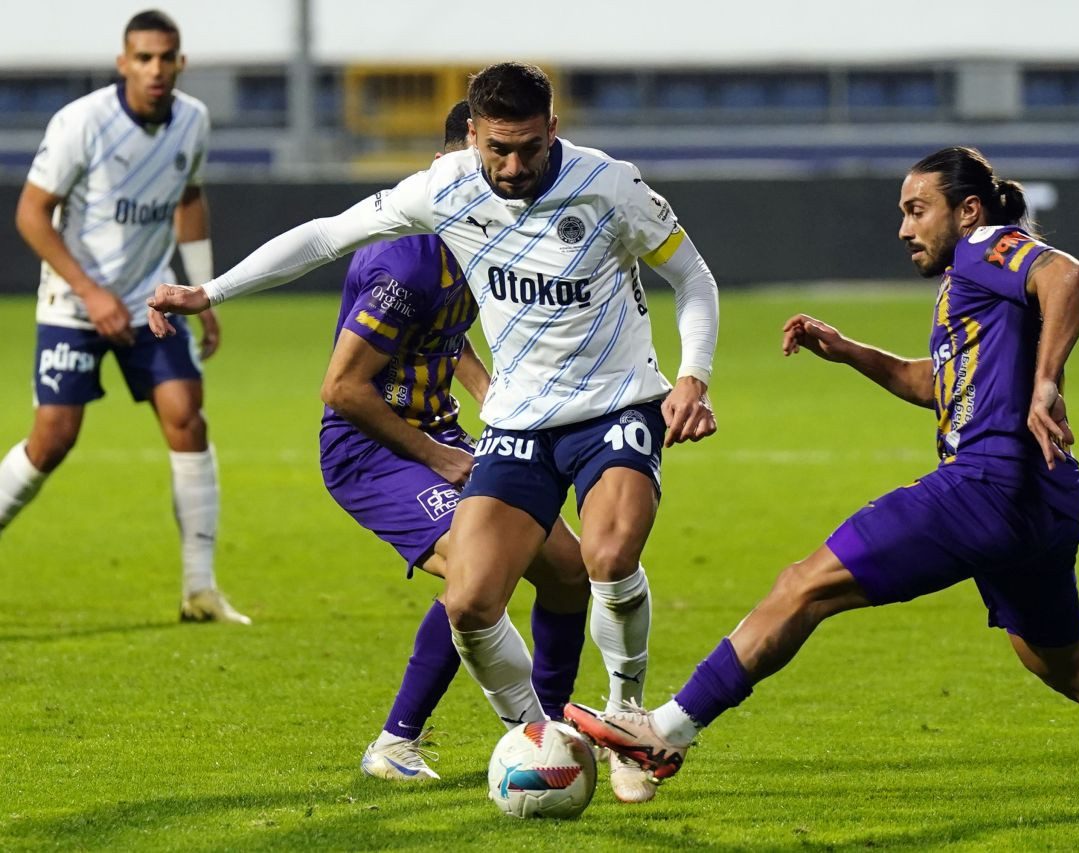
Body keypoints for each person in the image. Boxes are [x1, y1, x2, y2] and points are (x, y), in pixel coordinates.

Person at [565, 146, 1079, 813]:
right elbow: (938, 384)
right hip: (1044, 504)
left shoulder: (988, 246)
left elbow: (1068, 274)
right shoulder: (972, 284)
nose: (904, 227)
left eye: (917, 209)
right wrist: (849, 351)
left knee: (803, 585)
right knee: (1060, 661)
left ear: (967, 209)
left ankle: (665, 733)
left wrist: (1045, 384)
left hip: (984, 485)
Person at [147, 63, 720, 802]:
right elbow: (326, 236)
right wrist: (210, 290)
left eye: (528, 149)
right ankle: (533, 735)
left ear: (554, 130)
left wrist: (693, 376)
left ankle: (624, 715)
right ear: (471, 138)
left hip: (615, 403)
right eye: (497, 151)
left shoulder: (610, 186)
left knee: (603, 556)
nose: (512, 168)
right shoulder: (445, 193)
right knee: (472, 601)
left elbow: (694, 278)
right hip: (515, 426)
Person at [320, 100, 594, 790]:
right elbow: (343, 388)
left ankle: (553, 724)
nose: (504, 179)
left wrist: (487, 392)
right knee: (479, 575)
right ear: (448, 164)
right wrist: (440, 456)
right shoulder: (404, 260)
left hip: (439, 432)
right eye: (486, 164)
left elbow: (444, 335)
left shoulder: (477, 239)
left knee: (568, 568)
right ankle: (404, 742)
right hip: (371, 450)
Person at [0, 9, 248, 624]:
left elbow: (189, 197)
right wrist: (90, 291)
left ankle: (200, 591)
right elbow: (32, 213)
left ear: (180, 62)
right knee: (53, 437)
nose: (156, 69)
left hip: (147, 302)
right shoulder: (82, 122)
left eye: (166, 57)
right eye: (144, 58)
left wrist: (201, 288)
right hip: (73, 302)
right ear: (123, 63)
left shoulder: (192, 120)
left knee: (186, 419)